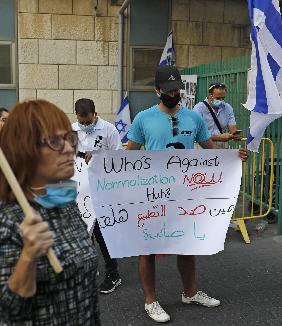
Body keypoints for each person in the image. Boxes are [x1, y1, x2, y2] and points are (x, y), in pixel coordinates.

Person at [126, 65, 247, 323]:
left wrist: (233, 158)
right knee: (147, 247)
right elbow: (129, 155)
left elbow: (210, 148)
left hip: (185, 192)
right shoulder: (143, 118)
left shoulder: (194, 118)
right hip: (153, 193)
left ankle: (190, 292)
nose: (173, 93)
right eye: (168, 89)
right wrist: (101, 163)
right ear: (157, 90)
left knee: (186, 243)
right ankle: (151, 300)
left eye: (176, 89)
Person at [0, 99, 99, 324]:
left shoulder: (64, 202)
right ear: (26, 150)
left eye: (69, 138)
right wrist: (28, 258)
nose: (69, 149)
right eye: (55, 141)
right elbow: (7, 312)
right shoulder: (7, 219)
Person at [72, 98, 123, 294]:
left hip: (102, 188)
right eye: (81, 122)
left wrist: (99, 157)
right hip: (80, 190)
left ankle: (113, 273)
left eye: (88, 121)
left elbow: (118, 157)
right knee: (84, 233)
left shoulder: (108, 129)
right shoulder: (71, 130)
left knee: (103, 234)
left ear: (95, 114)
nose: (85, 126)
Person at [192, 82, 240, 146]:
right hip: (202, 150)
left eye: (223, 98)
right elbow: (197, 134)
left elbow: (233, 127)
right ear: (210, 95)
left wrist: (236, 135)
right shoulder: (199, 108)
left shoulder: (227, 108)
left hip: (219, 149)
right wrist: (219, 138)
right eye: (218, 98)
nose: (221, 101)